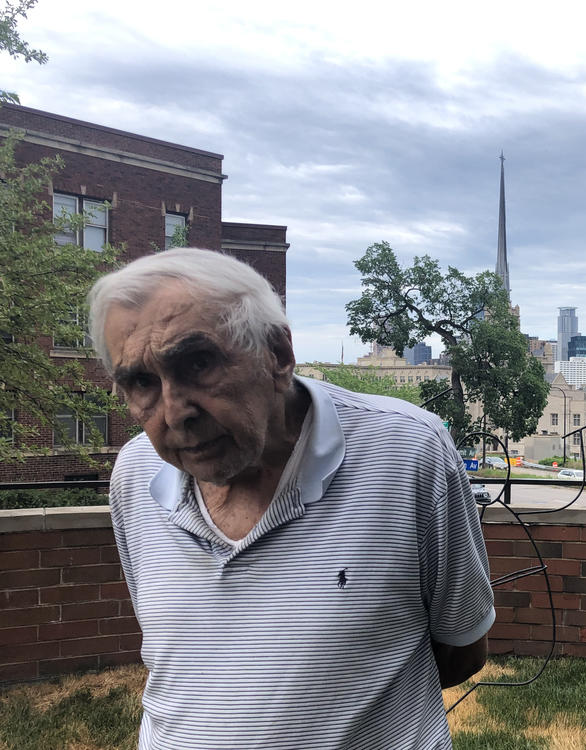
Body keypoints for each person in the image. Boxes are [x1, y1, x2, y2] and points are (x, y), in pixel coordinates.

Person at [88, 248, 494, 749]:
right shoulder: (135, 474)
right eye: (142, 382)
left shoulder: (408, 452)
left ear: (277, 355)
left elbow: (460, 650)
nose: (174, 412)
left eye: (198, 362)